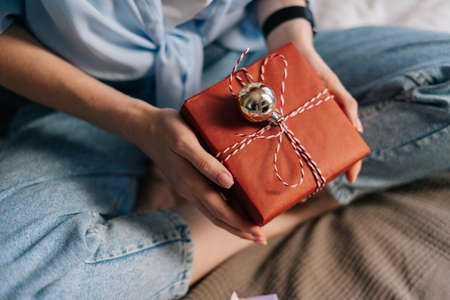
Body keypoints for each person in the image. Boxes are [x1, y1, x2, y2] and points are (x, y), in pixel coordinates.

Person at [0, 0, 448, 299]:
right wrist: (140, 126)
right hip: (81, 97)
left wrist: (293, 42)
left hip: (241, 58)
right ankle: (235, 217)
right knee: (16, 278)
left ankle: (288, 201)